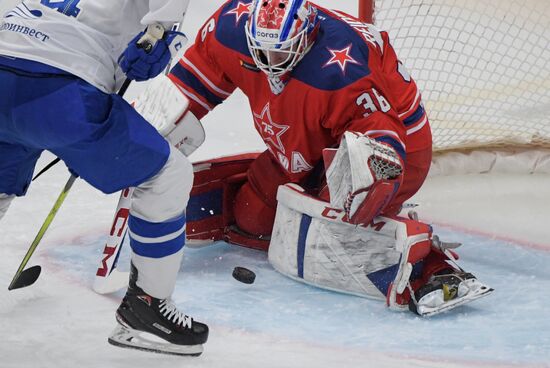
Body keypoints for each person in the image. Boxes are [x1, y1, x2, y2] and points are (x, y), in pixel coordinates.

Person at [168, 0, 493, 316]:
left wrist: (376, 176)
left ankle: (431, 265)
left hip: (393, 146)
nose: (269, 63)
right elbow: (192, 83)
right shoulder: (232, 26)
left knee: (327, 241)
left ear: (307, 35)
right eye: (260, 50)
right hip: (311, 141)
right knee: (251, 217)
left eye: (280, 52)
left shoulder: (342, 68)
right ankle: (309, 197)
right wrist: (157, 127)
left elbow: (382, 133)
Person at [0, 0, 208, 355]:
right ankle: (148, 310)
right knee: (168, 175)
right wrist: (157, 37)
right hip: (60, 90)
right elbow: (153, 41)